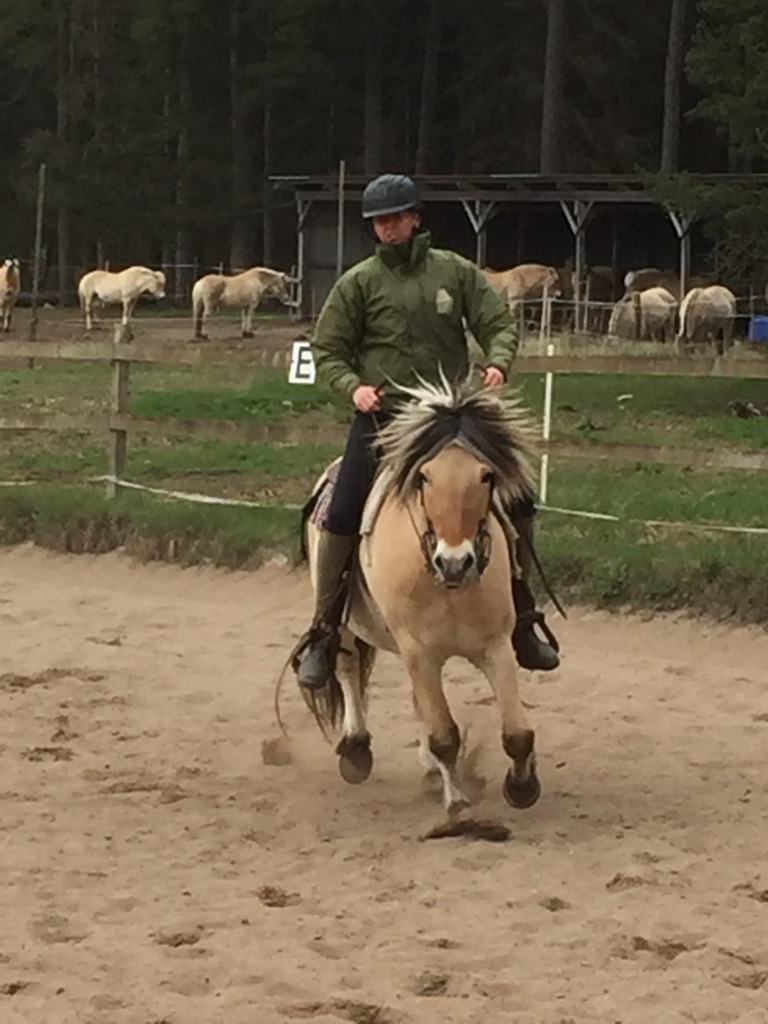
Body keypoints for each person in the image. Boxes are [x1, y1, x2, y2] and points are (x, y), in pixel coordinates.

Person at [295, 173, 560, 690]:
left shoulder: (454, 272)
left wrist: (498, 361)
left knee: (519, 498)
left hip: (451, 420)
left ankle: (522, 616)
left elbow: (497, 323)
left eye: (395, 217)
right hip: (385, 420)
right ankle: (324, 629)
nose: (387, 227)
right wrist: (353, 387)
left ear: (415, 218)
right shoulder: (359, 282)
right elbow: (328, 348)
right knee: (342, 509)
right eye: (378, 221)